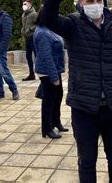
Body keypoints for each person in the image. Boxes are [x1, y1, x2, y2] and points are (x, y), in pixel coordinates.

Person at [42, 0, 112, 183]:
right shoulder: (73, 24)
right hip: (84, 108)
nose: (95, 4)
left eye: (98, 0)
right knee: (86, 161)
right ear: (81, 3)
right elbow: (48, 20)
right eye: (89, 1)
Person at [33, 8, 67, 139]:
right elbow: (46, 56)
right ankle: (47, 128)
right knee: (48, 99)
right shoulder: (42, 33)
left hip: (55, 69)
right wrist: (53, 76)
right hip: (47, 71)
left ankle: (56, 121)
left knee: (58, 95)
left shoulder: (49, 30)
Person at [21, 0, 37, 81]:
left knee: (37, 56)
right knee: (28, 56)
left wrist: (30, 29)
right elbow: (24, 25)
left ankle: (42, 73)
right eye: (23, 4)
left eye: (25, 4)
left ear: (30, 5)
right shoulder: (24, 15)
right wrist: (22, 30)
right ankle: (31, 74)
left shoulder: (34, 14)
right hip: (27, 38)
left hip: (33, 38)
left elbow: (39, 24)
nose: (24, 5)